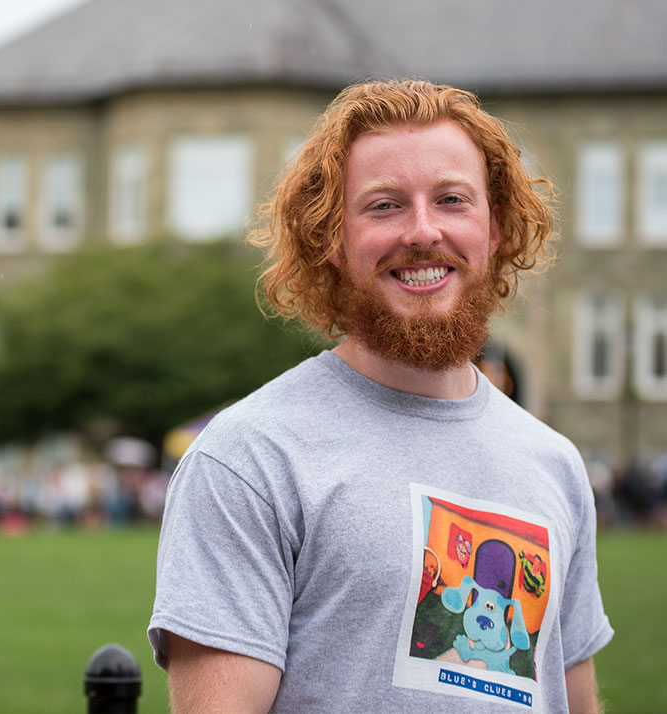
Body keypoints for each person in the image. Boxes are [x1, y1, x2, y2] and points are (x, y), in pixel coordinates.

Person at [149, 80, 613, 713]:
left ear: (495, 228)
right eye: (385, 206)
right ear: (331, 237)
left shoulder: (554, 464)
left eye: (452, 200)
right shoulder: (250, 459)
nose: (423, 232)